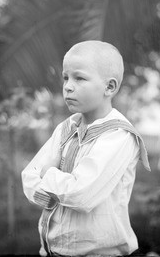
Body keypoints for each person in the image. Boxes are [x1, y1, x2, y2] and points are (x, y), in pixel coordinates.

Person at [21, 40, 151, 257]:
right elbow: (28, 177)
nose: (68, 86)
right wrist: (54, 195)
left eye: (79, 78)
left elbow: (82, 195)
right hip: (51, 251)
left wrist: (47, 173)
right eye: (65, 78)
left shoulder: (119, 135)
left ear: (110, 87)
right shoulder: (66, 128)